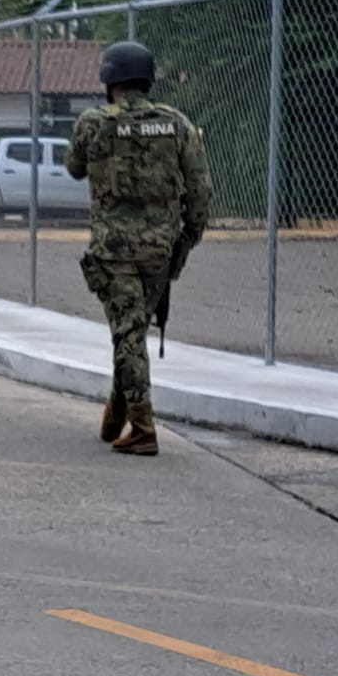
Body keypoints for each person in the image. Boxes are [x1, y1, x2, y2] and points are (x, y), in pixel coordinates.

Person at [65, 40, 212, 457]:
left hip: (114, 251)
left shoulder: (94, 123)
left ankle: (143, 426)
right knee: (130, 332)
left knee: (127, 332)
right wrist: (185, 241)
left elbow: (74, 168)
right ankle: (115, 416)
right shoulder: (177, 124)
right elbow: (200, 193)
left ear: (109, 80)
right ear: (147, 79)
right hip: (159, 251)